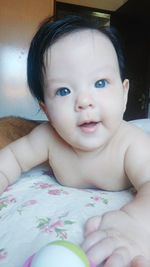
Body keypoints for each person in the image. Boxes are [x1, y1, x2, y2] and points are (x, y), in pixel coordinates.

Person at [0, 15, 150, 267]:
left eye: (100, 83)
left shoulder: (131, 144)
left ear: (124, 94)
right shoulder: (48, 138)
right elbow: (12, 158)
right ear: (46, 110)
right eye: (63, 91)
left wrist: (139, 222)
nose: (84, 101)